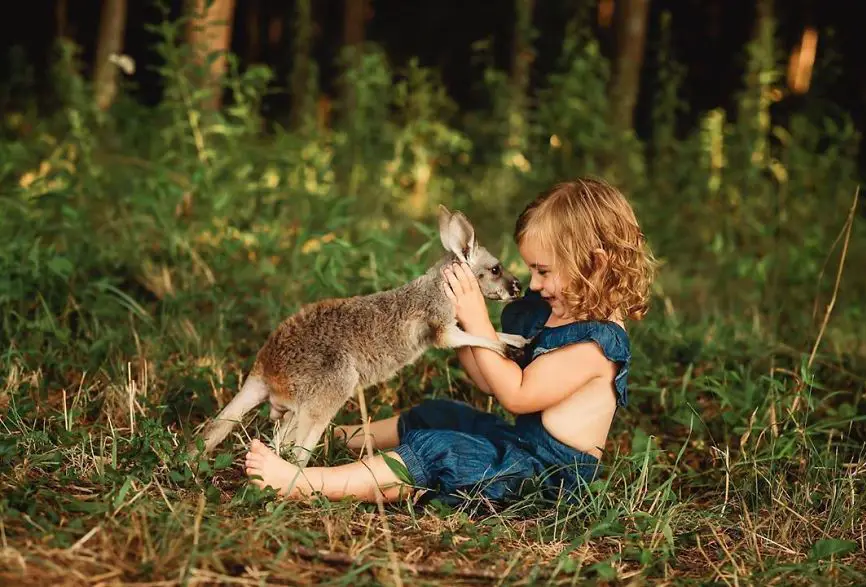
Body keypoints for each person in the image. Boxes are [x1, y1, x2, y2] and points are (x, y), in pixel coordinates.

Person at [243, 176, 655, 505]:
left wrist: (478, 318)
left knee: (439, 449)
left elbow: (515, 394)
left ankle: (305, 482)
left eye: (544, 271)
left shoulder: (595, 345)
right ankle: (338, 436)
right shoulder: (556, 313)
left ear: (594, 265)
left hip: (545, 480)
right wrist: (459, 324)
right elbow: (485, 380)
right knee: (440, 414)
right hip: (518, 447)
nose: (534, 283)